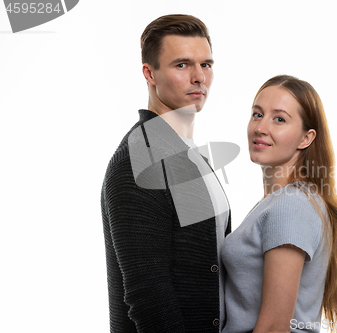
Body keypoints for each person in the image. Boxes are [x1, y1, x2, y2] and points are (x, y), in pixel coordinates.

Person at [101, 14, 231, 333]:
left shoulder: (183, 154)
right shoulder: (140, 159)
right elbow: (149, 297)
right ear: (150, 73)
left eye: (207, 64)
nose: (199, 77)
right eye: (182, 65)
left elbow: (201, 268)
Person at [222, 75, 337, 333]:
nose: (261, 127)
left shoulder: (290, 206)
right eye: (257, 114)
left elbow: (273, 327)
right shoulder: (280, 202)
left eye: (279, 119)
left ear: (306, 138)